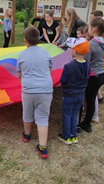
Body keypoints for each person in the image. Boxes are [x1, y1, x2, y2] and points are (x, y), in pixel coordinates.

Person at [17, 26, 53, 159]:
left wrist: (24, 84)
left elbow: (19, 74)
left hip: (28, 90)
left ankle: (27, 135)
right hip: (46, 90)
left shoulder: (21, 55)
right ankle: (43, 147)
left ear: (25, 40)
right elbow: (49, 72)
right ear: (39, 39)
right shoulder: (46, 53)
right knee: (42, 118)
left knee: (27, 113)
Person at [79, 16, 104, 133]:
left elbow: (85, 62)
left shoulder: (91, 44)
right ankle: (87, 123)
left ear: (93, 29)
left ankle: (81, 124)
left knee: (84, 99)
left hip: (93, 76)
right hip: (101, 75)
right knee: (91, 99)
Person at [59, 37, 90, 144]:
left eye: (71, 48)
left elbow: (63, 80)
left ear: (75, 51)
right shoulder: (87, 64)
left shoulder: (69, 66)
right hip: (80, 95)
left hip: (69, 95)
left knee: (67, 114)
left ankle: (66, 136)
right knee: (74, 114)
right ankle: (73, 135)